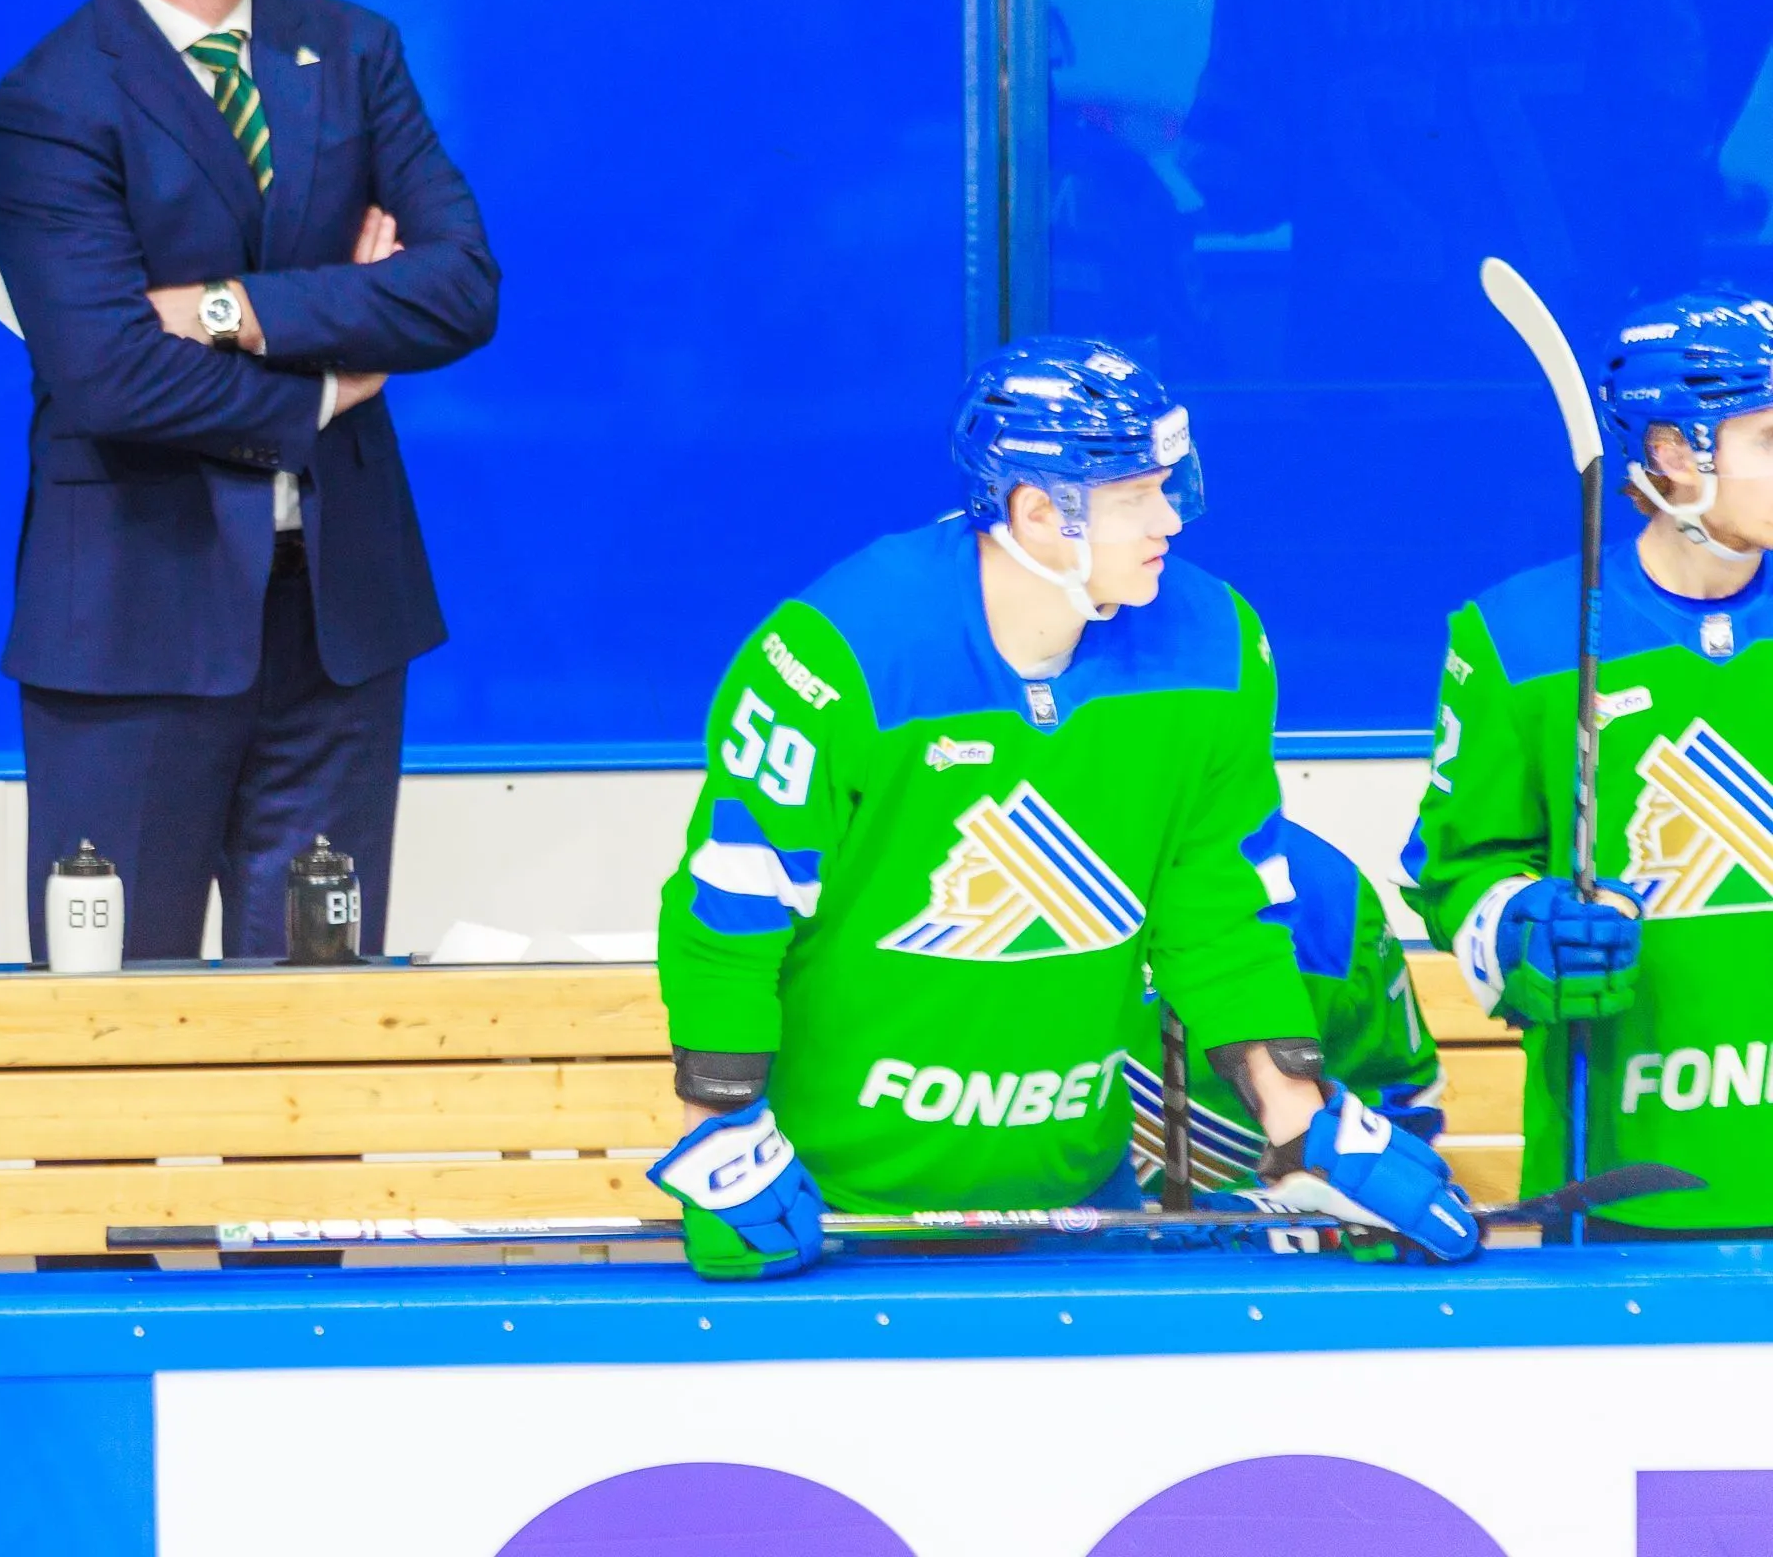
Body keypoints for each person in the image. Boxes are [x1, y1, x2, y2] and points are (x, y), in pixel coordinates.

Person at [648, 338, 1479, 1279]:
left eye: (1167, 485)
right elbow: (734, 909)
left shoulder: (1214, 645)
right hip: (831, 1204)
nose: (1169, 518)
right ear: (1036, 510)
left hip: (1077, 1199)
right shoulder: (843, 651)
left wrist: (1301, 1125)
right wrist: (722, 1133)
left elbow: (1221, 916)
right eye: (1134, 496)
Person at [0, 0, 499, 965]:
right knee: (116, 1023)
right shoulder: (52, 99)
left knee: (322, 1020)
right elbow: (108, 370)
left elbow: (459, 288)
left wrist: (227, 307)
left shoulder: (354, 52)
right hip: (132, 621)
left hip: (340, 620)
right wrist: (331, 374)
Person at [1407, 288, 1773, 1237]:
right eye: (1769, 438)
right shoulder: (1520, 636)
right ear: (1673, 453)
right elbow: (1456, 871)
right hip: (1623, 1182)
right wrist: (1522, 926)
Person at [1123, 817, 1442, 1198]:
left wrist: (1276, 1208)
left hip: (1258, 1232)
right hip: (1070, 1221)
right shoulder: (1059, 876)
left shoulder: (1327, 895)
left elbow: (1396, 1102)